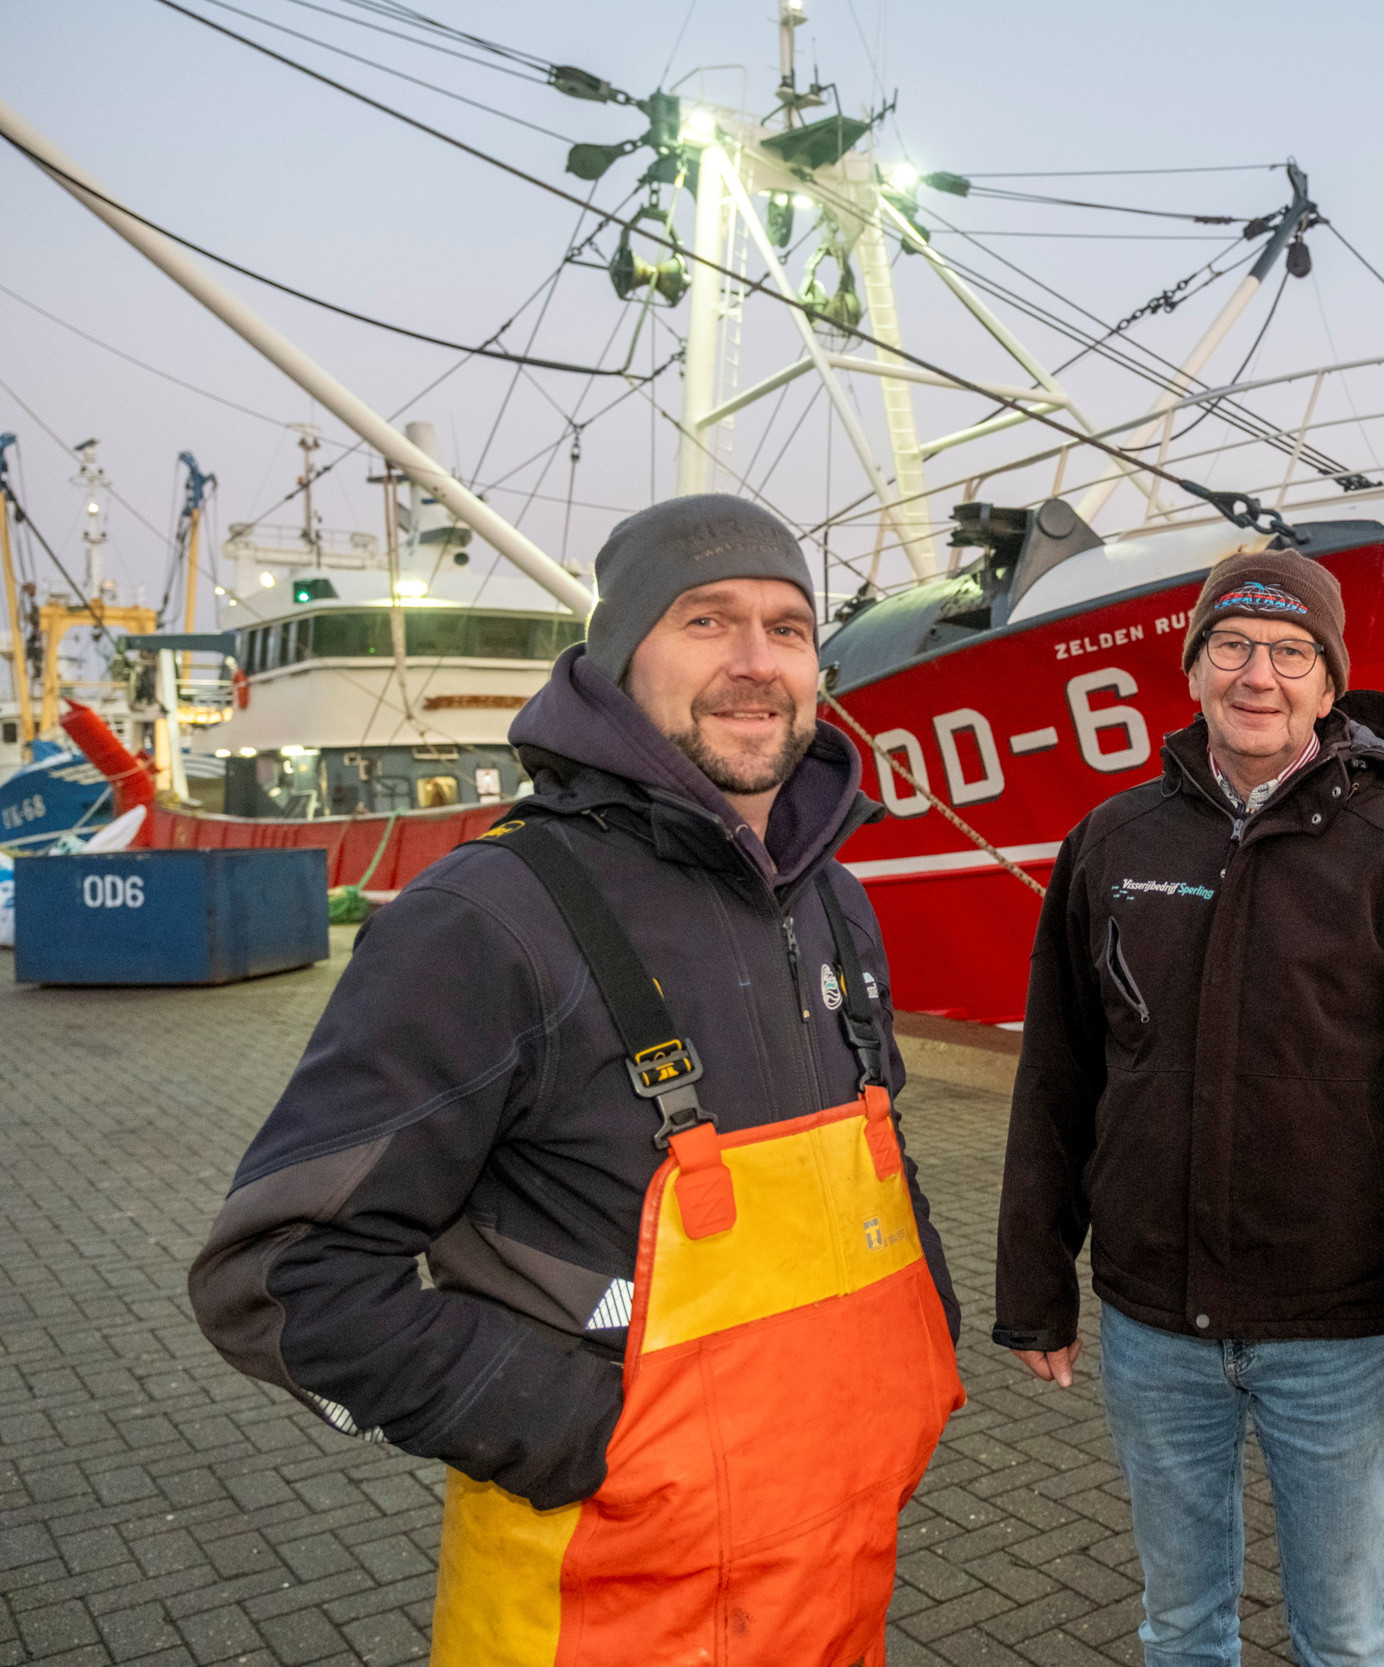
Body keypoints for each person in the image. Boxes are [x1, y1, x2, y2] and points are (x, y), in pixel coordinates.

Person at [191, 495, 963, 1666]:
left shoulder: (830, 899)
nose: (757, 662)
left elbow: (880, 1146)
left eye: (789, 627)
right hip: (600, 1604)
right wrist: (594, 1439)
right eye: (706, 621)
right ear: (617, 659)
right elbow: (278, 1275)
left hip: (830, 1582)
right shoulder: (489, 919)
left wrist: (926, 1351)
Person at [994, 548, 1384, 1667]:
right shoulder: (1112, 841)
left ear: (1328, 687)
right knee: (1179, 1626)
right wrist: (1036, 1285)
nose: (1259, 674)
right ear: (1191, 669)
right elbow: (1058, 1080)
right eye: (1231, 645)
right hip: (1152, 1326)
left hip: (1339, 1336)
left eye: (1292, 653)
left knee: (1343, 1631)